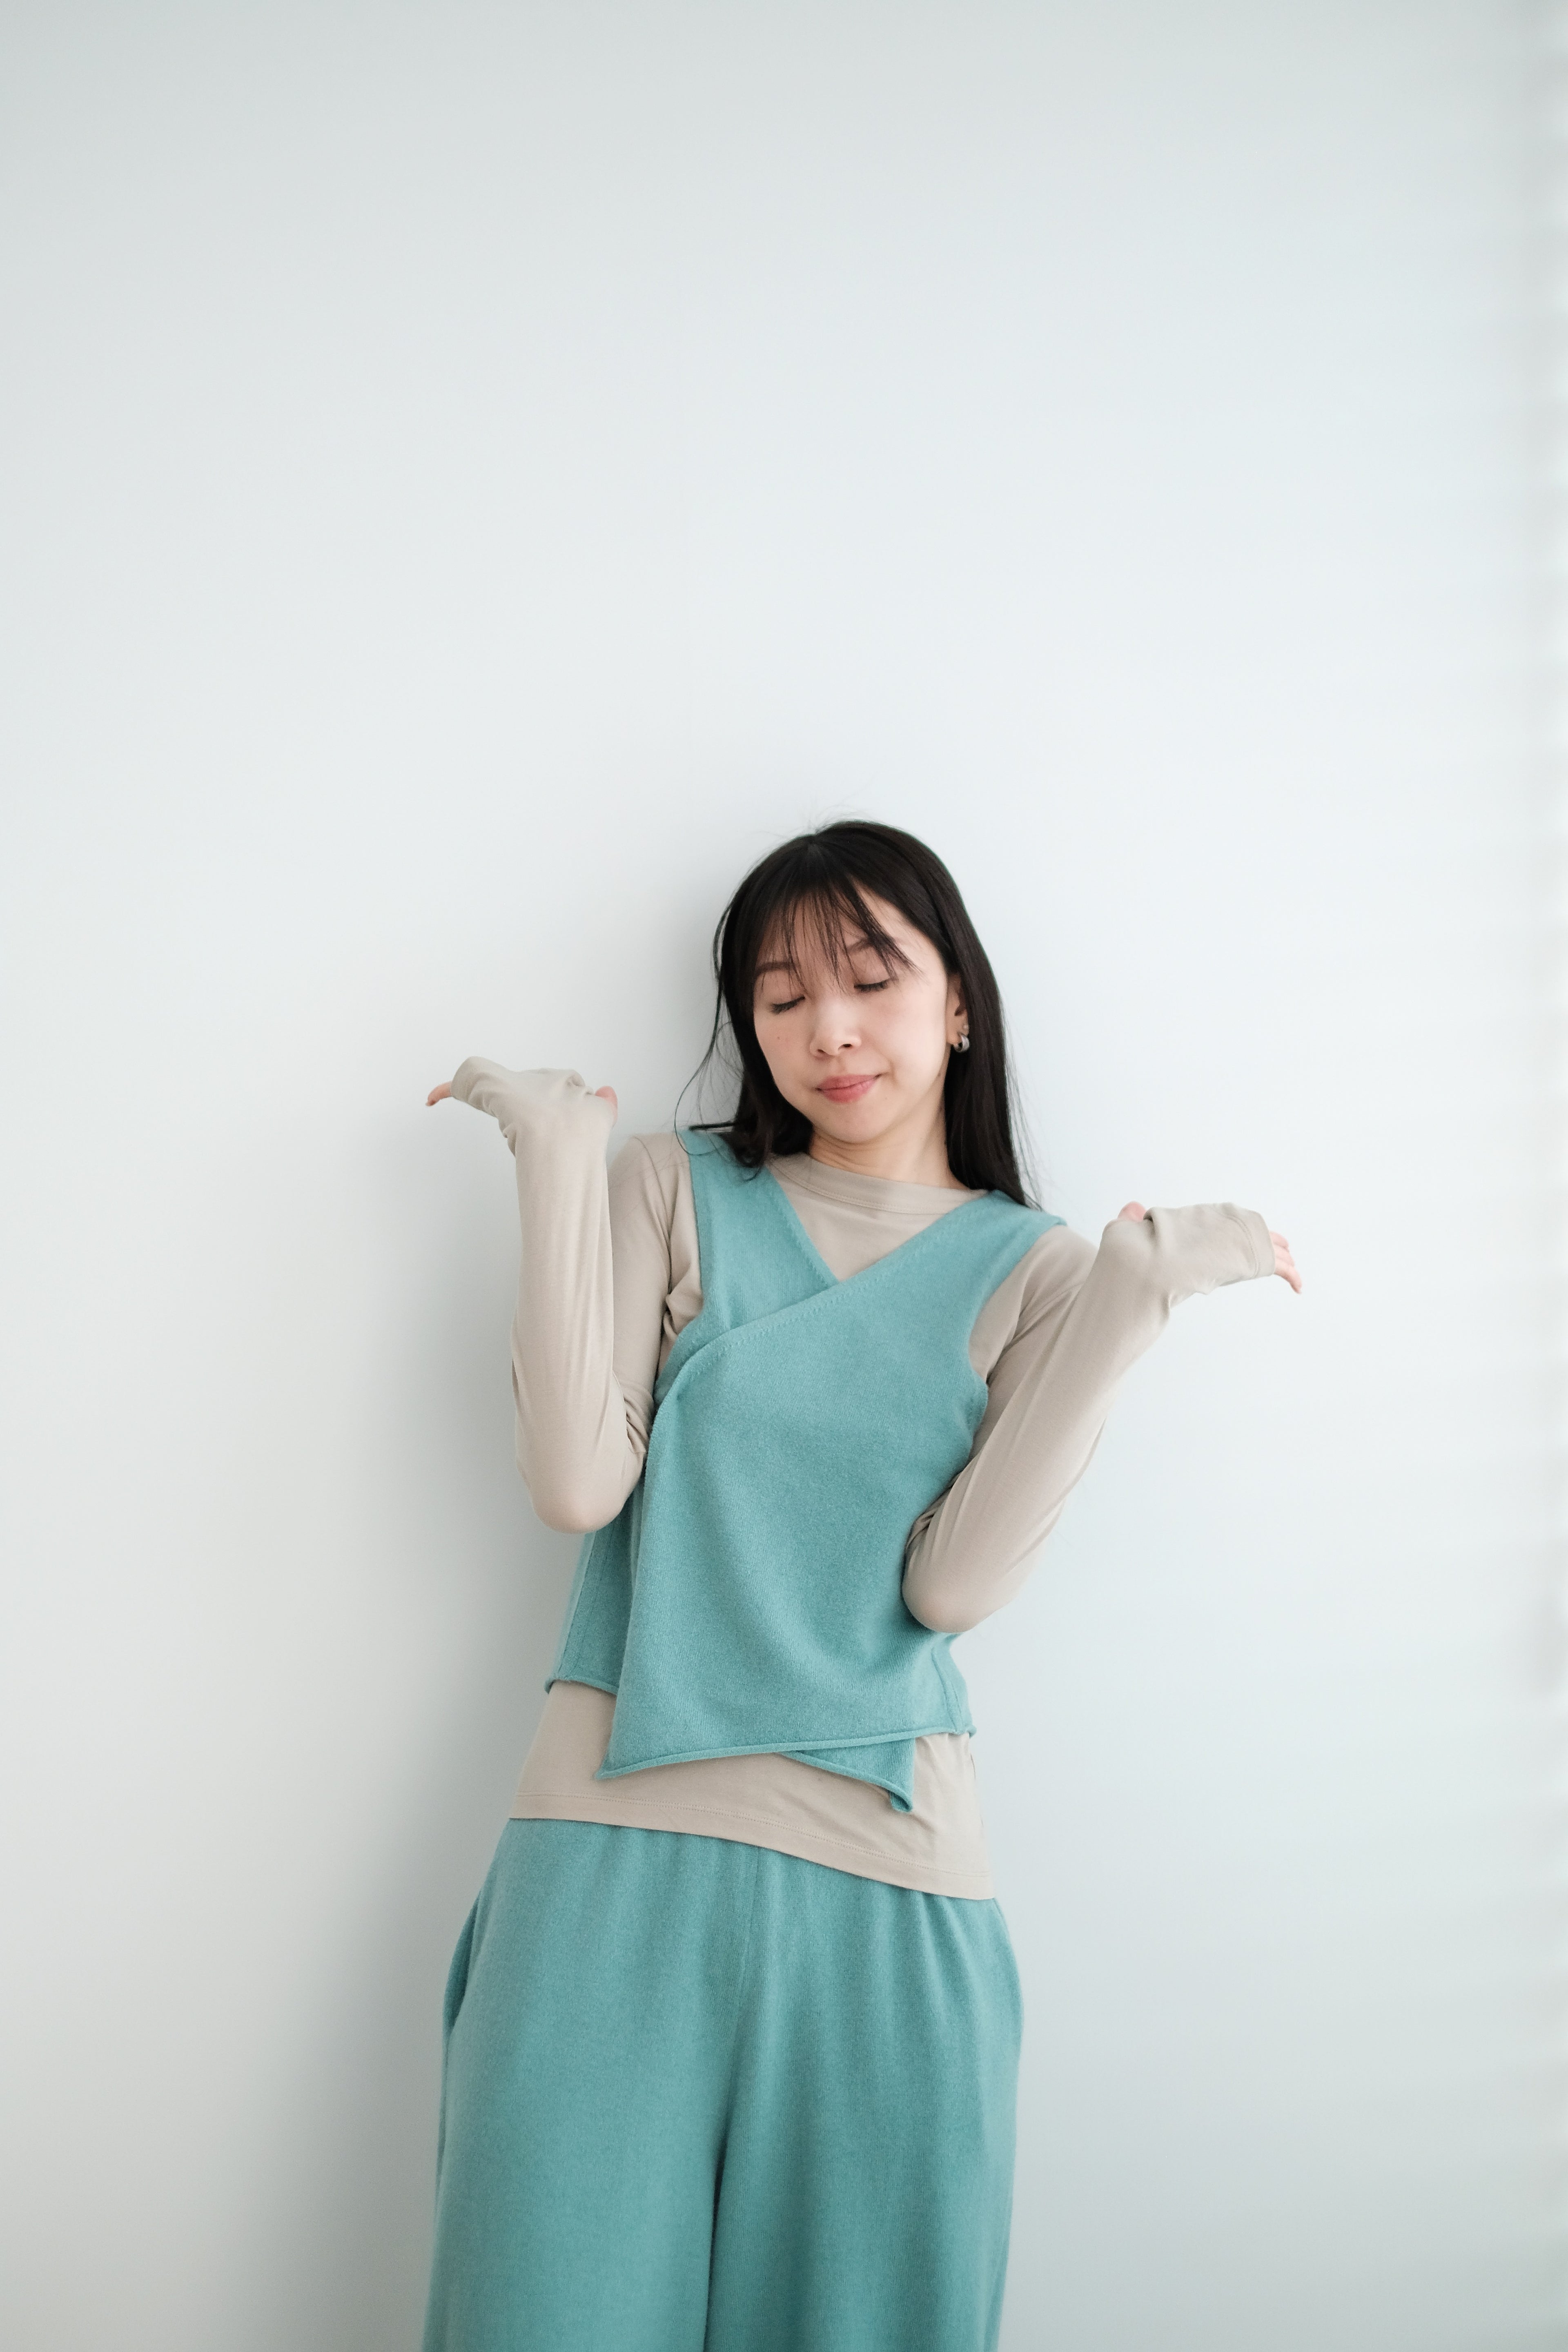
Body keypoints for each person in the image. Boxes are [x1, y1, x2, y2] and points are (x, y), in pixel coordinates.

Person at [420, 820, 1299, 2352]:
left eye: (872, 980)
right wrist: (557, 1160)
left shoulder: (1036, 1272)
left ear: (958, 1002)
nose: (827, 1028)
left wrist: (1129, 1298)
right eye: (780, 997)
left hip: (887, 1883)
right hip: (606, 1857)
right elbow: (577, 1485)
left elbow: (951, 1587)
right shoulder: (672, 1186)